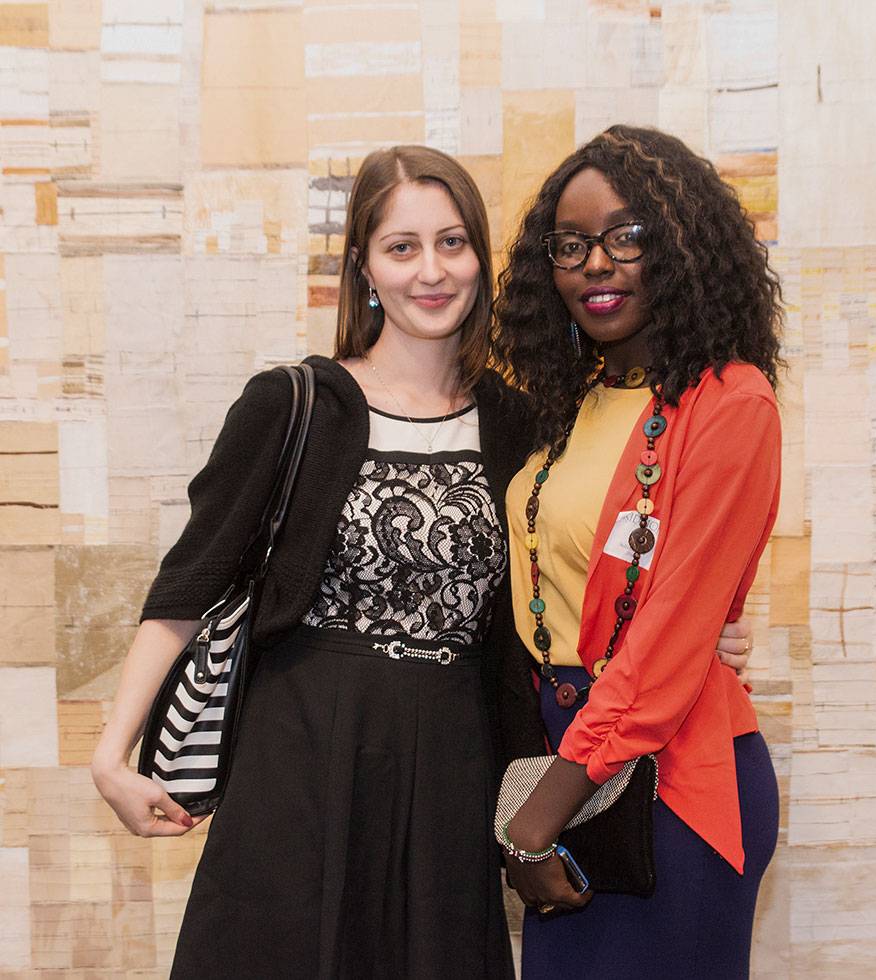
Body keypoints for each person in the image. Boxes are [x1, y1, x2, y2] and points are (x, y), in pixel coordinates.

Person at [91, 143, 756, 979]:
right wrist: (111, 753)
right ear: (365, 267)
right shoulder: (293, 401)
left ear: (480, 257)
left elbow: (564, 576)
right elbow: (191, 582)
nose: (430, 271)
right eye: (401, 248)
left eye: (451, 243)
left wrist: (709, 634)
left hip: (453, 761)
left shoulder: (523, 421)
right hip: (300, 754)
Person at [492, 124, 783, 980]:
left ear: (684, 245)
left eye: (628, 236)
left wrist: (534, 821)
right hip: (568, 761)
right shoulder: (566, 403)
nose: (596, 264)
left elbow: (666, 641)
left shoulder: (731, 403)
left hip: (674, 781)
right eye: (572, 245)